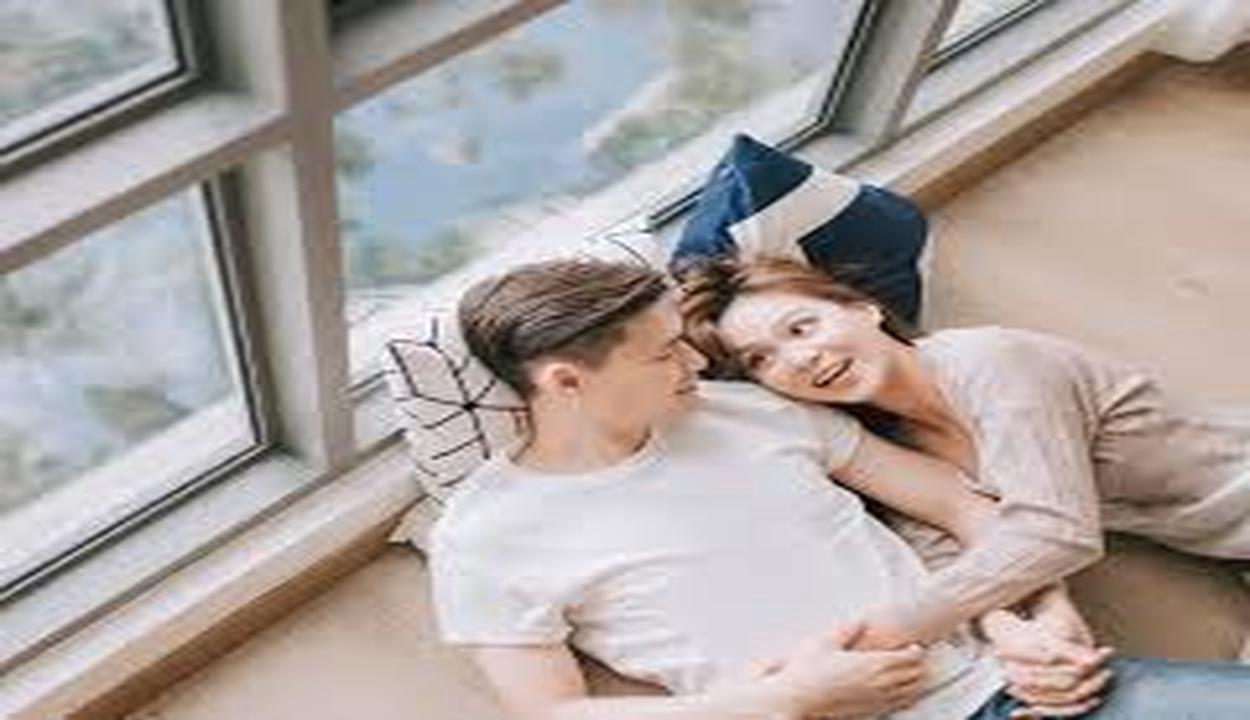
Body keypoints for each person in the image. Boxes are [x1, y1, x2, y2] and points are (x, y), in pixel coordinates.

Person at [429, 258, 1250, 720]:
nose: (695, 364)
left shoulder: (744, 412)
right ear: (567, 382)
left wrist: (1028, 620)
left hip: (1012, 692)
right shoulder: (484, 538)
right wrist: (783, 698)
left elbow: (961, 506)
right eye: (664, 352)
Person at [678, 255, 1250, 645]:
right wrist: (1022, 628)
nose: (799, 359)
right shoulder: (892, 453)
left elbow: (1056, 531)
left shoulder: (991, 362)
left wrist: (889, 631)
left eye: (801, 328)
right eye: (761, 360)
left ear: (862, 308)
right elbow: (954, 559)